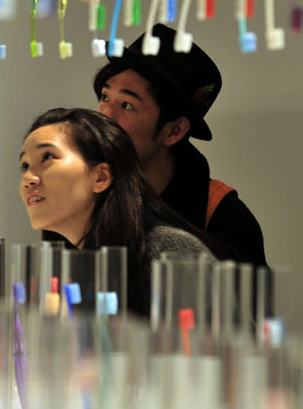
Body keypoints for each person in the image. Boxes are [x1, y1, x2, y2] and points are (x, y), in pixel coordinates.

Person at [94, 23, 267, 270]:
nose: (104, 116)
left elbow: (249, 307)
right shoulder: (87, 196)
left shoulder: (224, 219)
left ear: (174, 131)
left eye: (127, 105)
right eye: (105, 97)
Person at [19, 107, 218, 316]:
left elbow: (225, 343)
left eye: (47, 156)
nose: (28, 179)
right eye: (24, 165)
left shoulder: (167, 250)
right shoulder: (61, 270)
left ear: (101, 177)